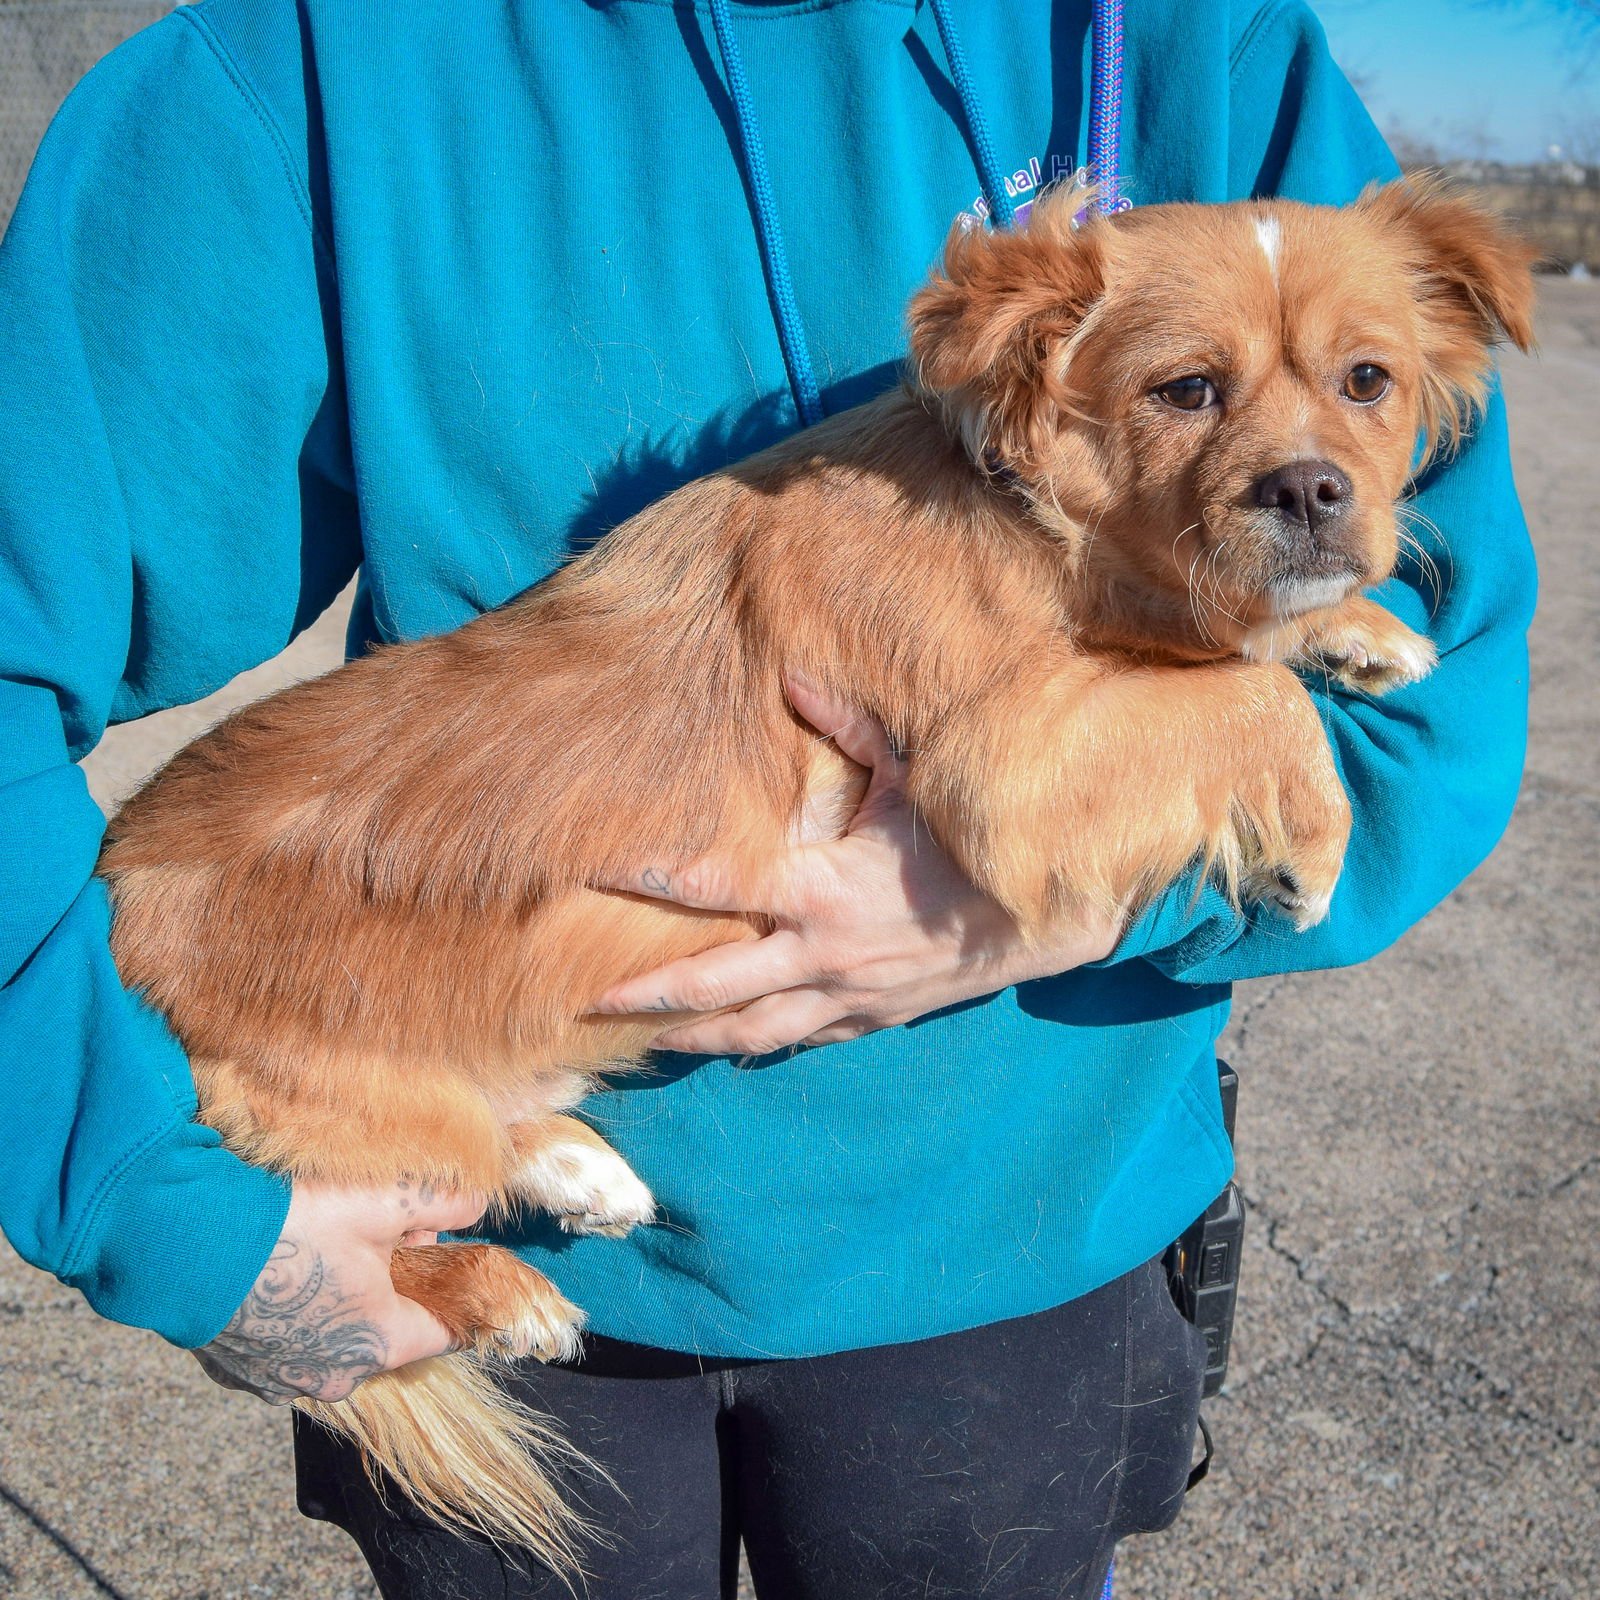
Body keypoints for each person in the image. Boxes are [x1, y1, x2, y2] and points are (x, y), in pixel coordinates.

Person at [0, 0, 1534, 1595]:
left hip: (1012, 1253)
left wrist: (1042, 901)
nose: (1308, 446)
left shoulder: (1195, 40)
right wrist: (149, 1197)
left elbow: (1443, 694)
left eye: (1357, 383)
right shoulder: (313, 63)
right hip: (478, 1205)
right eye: (1196, 393)